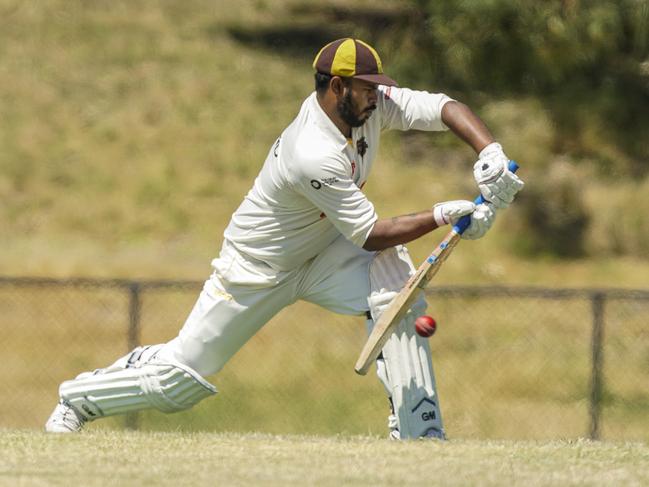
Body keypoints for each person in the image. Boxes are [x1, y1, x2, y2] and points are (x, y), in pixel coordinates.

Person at [45, 38, 524, 438]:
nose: (378, 97)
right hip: (257, 268)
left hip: (323, 252)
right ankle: (78, 400)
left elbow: (443, 107)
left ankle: (420, 431)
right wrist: (445, 214)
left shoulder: (370, 108)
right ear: (337, 87)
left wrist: (491, 153)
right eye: (366, 89)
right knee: (179, 382)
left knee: (396, 290)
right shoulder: (311, 151)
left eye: (379, 88)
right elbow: (370, 233)